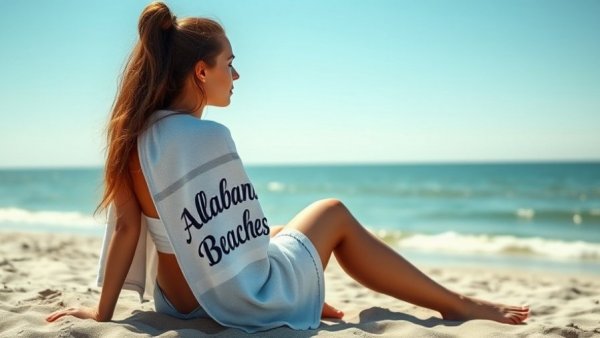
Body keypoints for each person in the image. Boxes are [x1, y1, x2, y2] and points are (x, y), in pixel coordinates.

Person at [45, 1, 530, 331]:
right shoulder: (210, 137)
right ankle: (458, 304)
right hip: (235, 304)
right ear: (201, 72)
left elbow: (130, 227)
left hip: (179, 304)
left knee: (279, 230)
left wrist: (101, 315)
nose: (236, 75)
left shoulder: (133, 137)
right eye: (229, 63)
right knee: (332, 211)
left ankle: (314, 297)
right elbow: (244, 244)